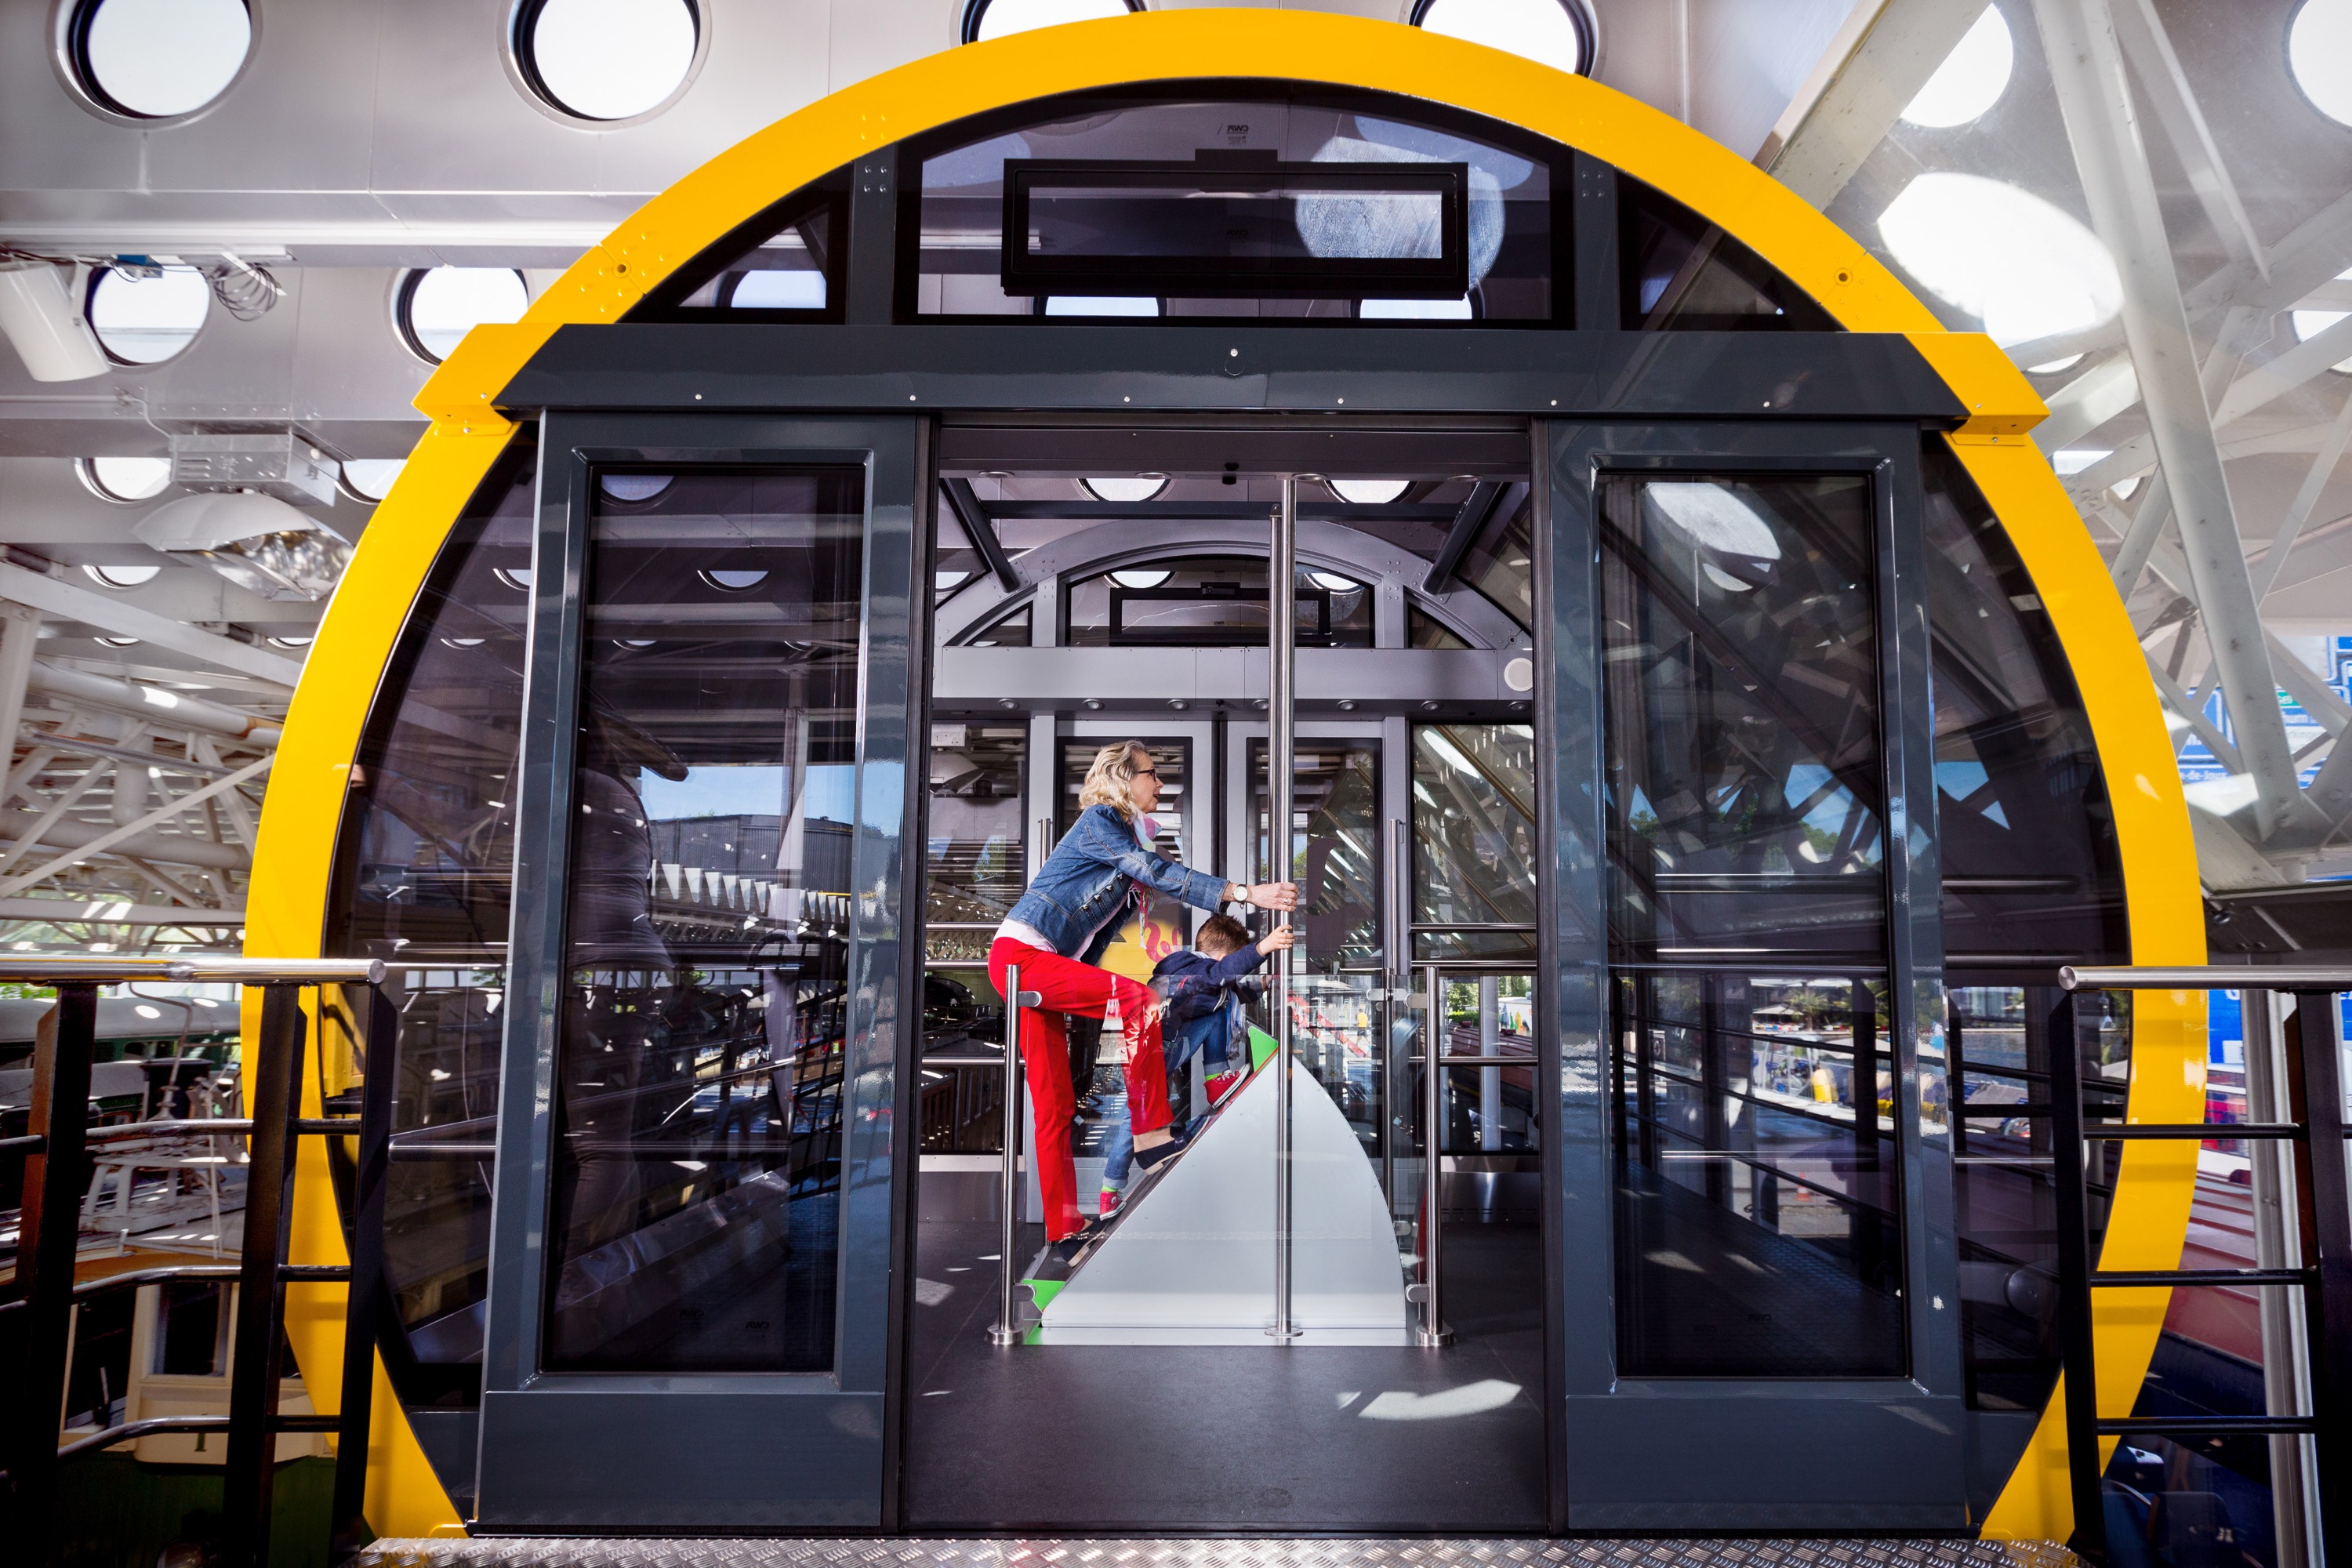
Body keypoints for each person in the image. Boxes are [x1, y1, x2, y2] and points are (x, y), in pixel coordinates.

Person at [989, 740, 1297, 1245]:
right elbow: (1156, 871)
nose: (1160, 782)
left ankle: (1064, 1228)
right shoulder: (1099, 822)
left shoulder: (1124, 841)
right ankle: (1152, 1136)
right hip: (1022, 958)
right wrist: (1245, 893)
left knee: (1055, 1105)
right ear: (1122, 778)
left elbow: (1106, 922)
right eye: (1151, 773)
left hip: (1041, 967)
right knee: (1138, 1001)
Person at [1095, 914, 1294, 1216]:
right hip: (1155, 1051)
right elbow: (1221, 977)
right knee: (1134, 1118)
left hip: (1150, 1048)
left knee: (1134, 1115)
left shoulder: (1191, 971)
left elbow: (1232, 990)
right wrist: (1263, 948)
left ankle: (1110, 1190)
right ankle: (1110, 1189)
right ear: (1224, 958)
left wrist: (1266, 983)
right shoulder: (1196, 969)